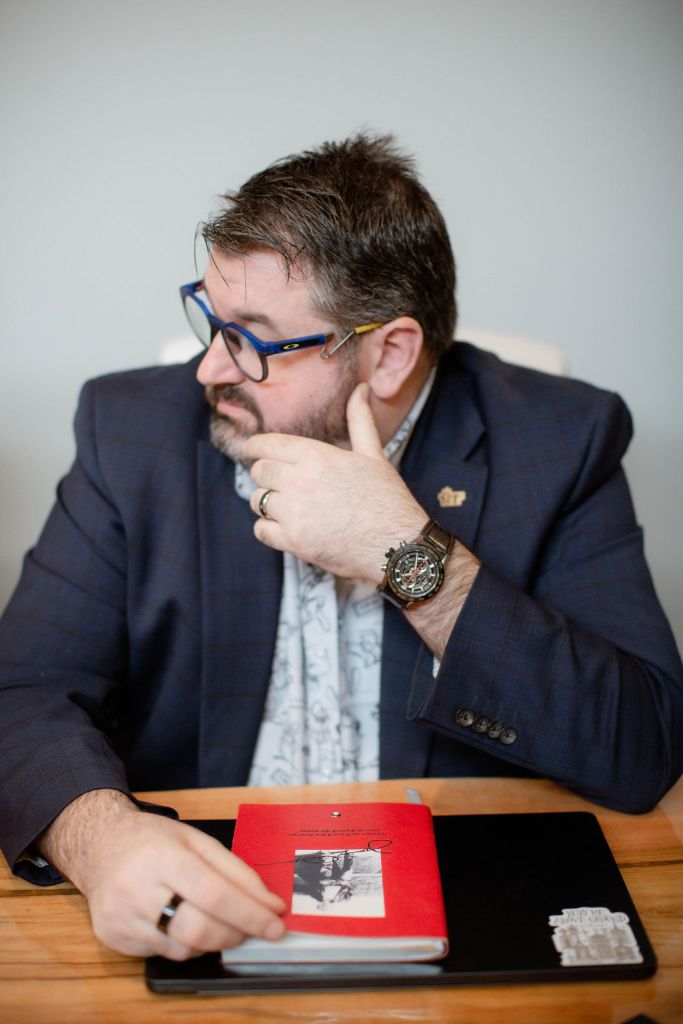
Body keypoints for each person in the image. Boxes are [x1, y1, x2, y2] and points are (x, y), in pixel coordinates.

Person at [0, 133, 681, 963]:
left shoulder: (559, 437)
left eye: (251, 336)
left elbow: (642, 744)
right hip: (193, 902)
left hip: (472, 910)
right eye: (210, 318)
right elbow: (23, 691)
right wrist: (100, 839)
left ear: (387, 353)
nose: (208, 367)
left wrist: (408, 553)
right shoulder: (131, 430)